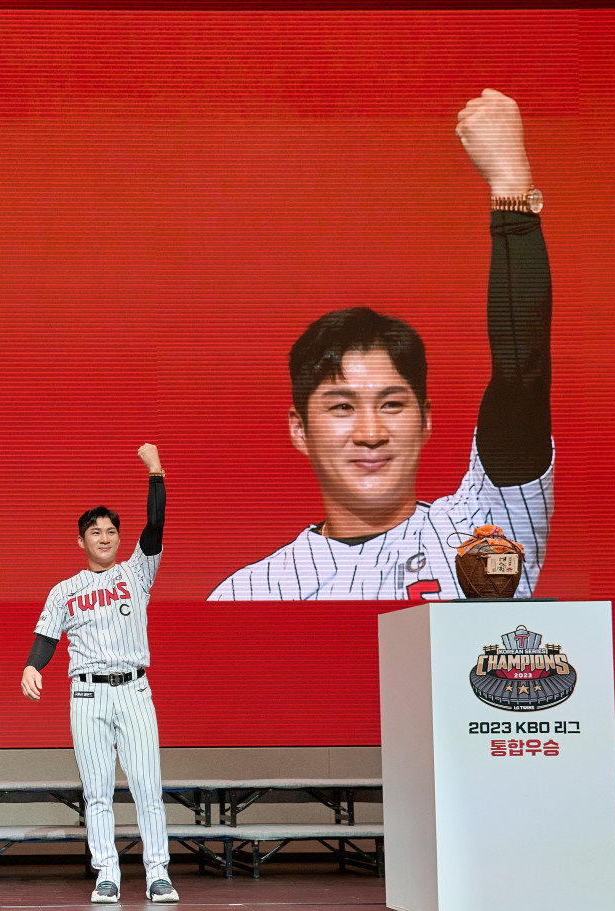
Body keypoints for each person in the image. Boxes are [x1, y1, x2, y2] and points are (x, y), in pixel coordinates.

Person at [208, 89, 553, 601]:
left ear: (427, 418)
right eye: (342, 407)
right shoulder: (251, 595)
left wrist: (511, 193)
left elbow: (520, 376)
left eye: (392, 404)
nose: (371, 433)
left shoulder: (485, 529)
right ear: (299, 429)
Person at [21, 444, 179, 904]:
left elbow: (155, 525)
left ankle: (157, 873)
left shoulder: (137, 572)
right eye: (96, 531)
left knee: (148, 786)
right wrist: (33, 664)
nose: (105, 537)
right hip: (87, 696)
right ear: (82, 541)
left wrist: (155, 472)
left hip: (134, 691)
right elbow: (47, 638)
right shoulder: (65, 591)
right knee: (97, 793)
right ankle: (106, 873)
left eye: (111, 530)